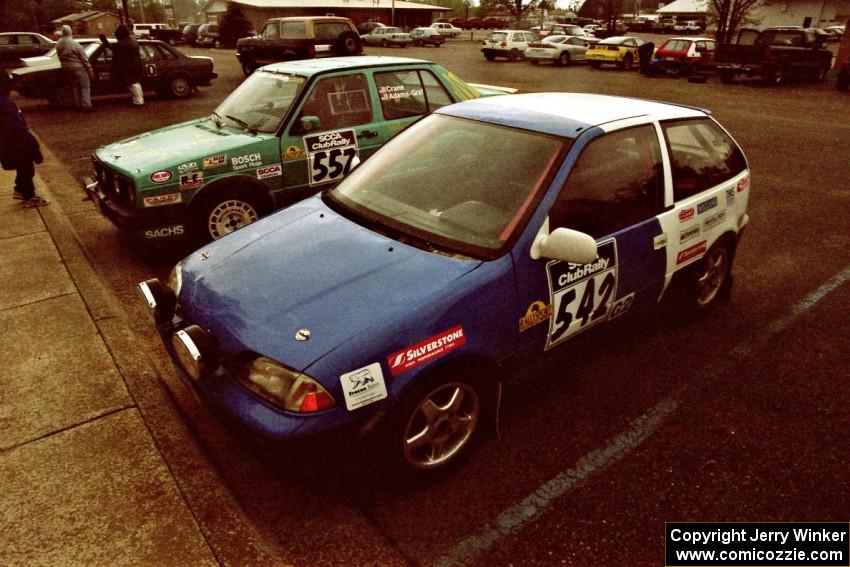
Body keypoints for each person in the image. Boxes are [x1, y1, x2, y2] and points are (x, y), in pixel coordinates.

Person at [0, 73, 48, 208]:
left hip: (7, 141)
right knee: (26, 168)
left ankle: (20, 189)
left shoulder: (4, 102)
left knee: (23, 167)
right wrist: (32, 142)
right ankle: (29, 196)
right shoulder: (6, 104)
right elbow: (17, 126)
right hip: (17, 141)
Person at [101, 24, 144, 107]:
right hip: (135, 64)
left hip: (129, 66)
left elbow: (113, 48)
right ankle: (139, 100)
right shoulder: (132, 41)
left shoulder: (123, 43)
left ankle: (138, 102)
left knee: (132, 84)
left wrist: (104, 41)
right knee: (135, 83)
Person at [56, 25, 94, 111]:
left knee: (75, 86)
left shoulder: (59, 43)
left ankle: (78, 105)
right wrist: (89, 68)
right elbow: (83, 56)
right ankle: (86, 105)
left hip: (66, 67)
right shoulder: (73, 43)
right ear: (70, 32)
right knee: (85, 86)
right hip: (78, 67)